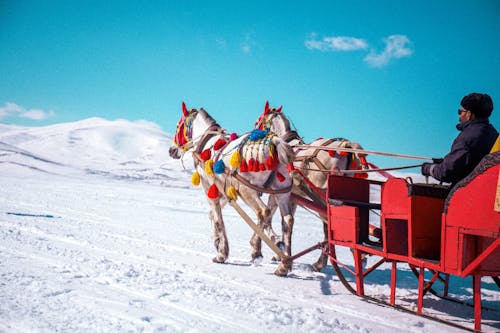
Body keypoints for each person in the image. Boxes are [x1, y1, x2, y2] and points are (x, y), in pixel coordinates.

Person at [421, 92, 498, 185]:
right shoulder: (495, 135)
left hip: (465, 194)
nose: (459, 116)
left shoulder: (466, 138)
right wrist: (445, 161)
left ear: (469, 114)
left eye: (460, 112)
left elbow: (446, 172)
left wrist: (428, 169)